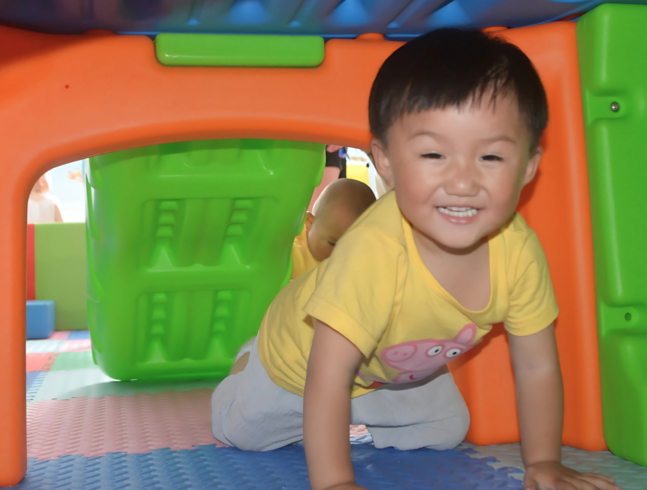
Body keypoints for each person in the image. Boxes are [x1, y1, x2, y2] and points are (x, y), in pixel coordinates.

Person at [212, 28, 620, 490]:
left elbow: (536, 365)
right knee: (240, 431)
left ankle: (353, 413)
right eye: (433, 154)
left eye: (489, 156)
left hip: (387, 375)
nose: (462, 182)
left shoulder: (519, 254)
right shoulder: (373, 251)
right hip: (300, 363)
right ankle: (248, 360)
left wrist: (543, 462)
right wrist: (335, 482)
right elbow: (327, 375)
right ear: (384, 161)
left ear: (528, 166)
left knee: (446, 430)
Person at [291, 178, 376, 279]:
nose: (340, 254)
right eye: (333, 244)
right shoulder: (291, 253)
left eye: (352, 248)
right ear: (309, 223)